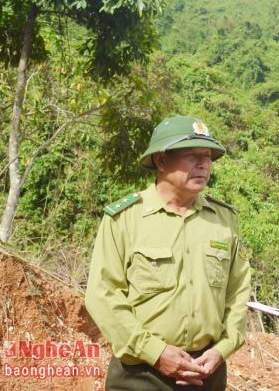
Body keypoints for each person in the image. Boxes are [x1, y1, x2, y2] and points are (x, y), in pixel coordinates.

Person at [85, 115, 251, 390]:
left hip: (206, 374)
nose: (204, 164)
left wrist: (222, 349)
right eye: (192, 155)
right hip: (140, 375)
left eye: (208, 156)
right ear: (161, 161)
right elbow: (103, 294)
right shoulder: (124, 218)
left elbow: (237, 293)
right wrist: (156, 353)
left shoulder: (224, 220)